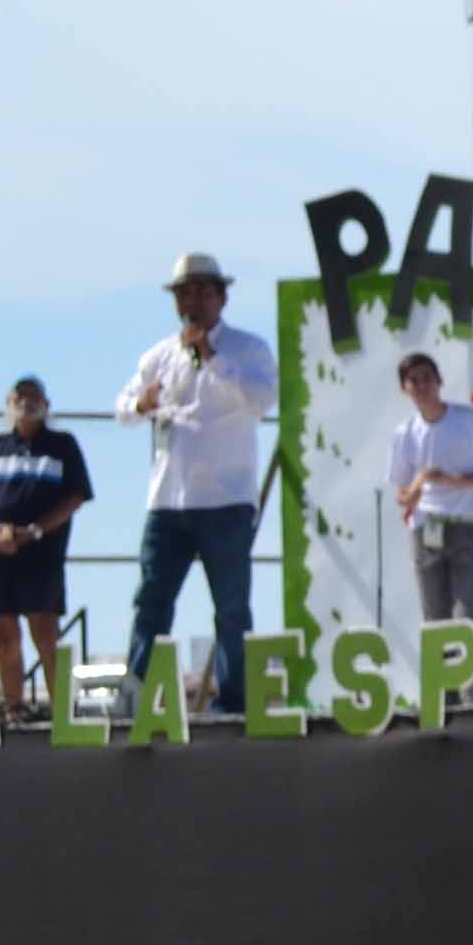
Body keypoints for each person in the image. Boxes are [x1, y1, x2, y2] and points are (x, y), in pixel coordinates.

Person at [112, 251, 277, 711]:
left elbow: (260, 400)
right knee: (151, 603)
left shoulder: (248, 348)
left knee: (231, 607)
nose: (194, 302)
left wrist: (212, 357)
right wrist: (141, 404)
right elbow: (122, 407)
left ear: (222, 298)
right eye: (185, 294)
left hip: (226, 500)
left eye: (204, 292)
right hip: (168, 501)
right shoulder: (159, 356)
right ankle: (136, 700)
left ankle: (235, 702)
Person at [0, 377, 92, 721]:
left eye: (34, 396)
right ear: (9, 402)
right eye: (20, 396)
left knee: (45, 633)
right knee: (4, 635)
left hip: (40, 554)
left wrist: (35, 531)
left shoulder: (62, 446)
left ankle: (62, 710)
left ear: (46, 405)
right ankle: (13, 708)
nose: (26, 402)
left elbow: (75, 497)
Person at [385, 350, 473, 644]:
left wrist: (456, 481)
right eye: (413, 380)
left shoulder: (469, 420)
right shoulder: (404, 433)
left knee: (468, 621)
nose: (421, 385)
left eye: (427, 377)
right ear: (404, 389)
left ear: (439, 381)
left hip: (466, 527)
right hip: (426, 532)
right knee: (436, 623)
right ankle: (444, 678)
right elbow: (402, 496)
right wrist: (418, 485)